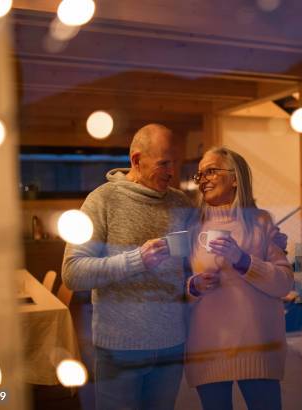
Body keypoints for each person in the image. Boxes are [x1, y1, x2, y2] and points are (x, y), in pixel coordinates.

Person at [62, 124, 193, 410]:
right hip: (119, 351)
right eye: (164, 163)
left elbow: (193, 265)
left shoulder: (182, 203)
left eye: (176, 162)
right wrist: (136, 260)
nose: (172, 171)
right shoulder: (102, 200)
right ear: (136, 160)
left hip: (171, 346)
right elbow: (72, 273)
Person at [185, 147, 294, 410]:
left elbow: (284, 283)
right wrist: (194, 287)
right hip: (207, 348)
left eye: (211, 170)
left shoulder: (261, 222)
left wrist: (243, 261)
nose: (204, 179)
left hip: (257, 347)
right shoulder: (191, 227)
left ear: (235, 178)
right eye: (200, 174)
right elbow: (174, 291)